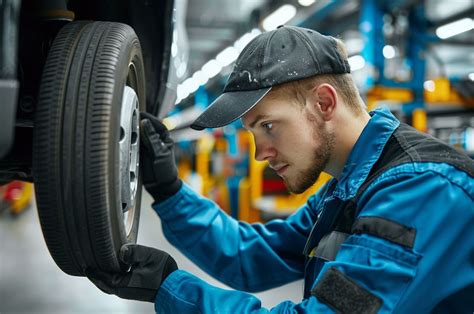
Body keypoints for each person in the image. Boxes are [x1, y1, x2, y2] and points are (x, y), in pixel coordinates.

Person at [86, 25, 474, 313]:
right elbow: (249, 256)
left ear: (324, 103)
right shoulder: (346, 190)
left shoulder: (421, 189)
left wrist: (176, 291)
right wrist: (170, 190)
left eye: (268, 126)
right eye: (252, 132)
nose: (259, 153)